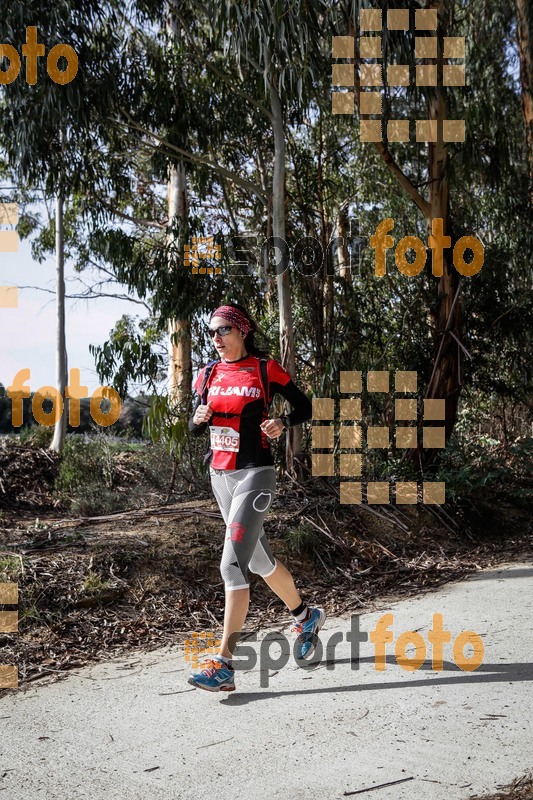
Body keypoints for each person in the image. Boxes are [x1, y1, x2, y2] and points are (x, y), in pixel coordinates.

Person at [187, 302, 326, 692]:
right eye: (211, 332)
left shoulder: (265, 369)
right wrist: (196, 421)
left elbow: (306, 405)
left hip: (255, 474)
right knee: (261, 560)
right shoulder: (207, 374)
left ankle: (224, 663)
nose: (215, 338)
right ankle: (305, 615)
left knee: (232, 566)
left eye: (222, 330)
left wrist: (283, 421)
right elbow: (195, 423)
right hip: (220, 476)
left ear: (241, 331)